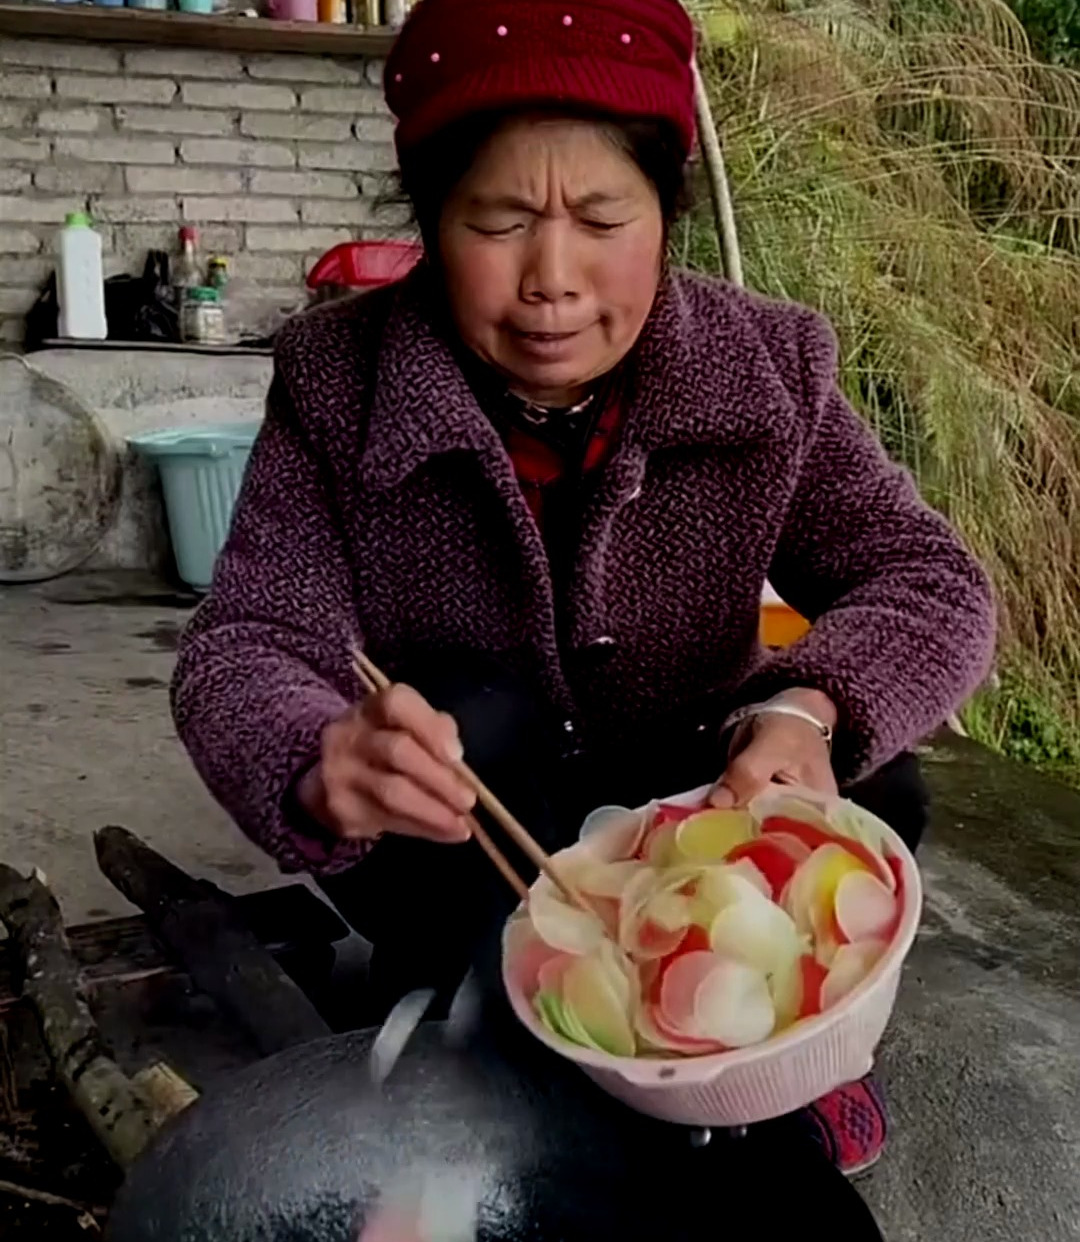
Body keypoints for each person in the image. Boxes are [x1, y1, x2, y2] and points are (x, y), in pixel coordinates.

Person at [172, 0, 995, 1176]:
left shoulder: (770, 368)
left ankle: (784, 1043)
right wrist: (320, 757)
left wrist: (803, 710)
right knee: (465, 719)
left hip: (688, 793)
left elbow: (928, 578)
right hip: (477, 822)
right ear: (429, 222)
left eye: (602, 217)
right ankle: (478, 1010)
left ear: (667, 212)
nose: (551, 281)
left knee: (874, 783)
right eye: (497, 221)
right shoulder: (338, 380)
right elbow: (250, 635)